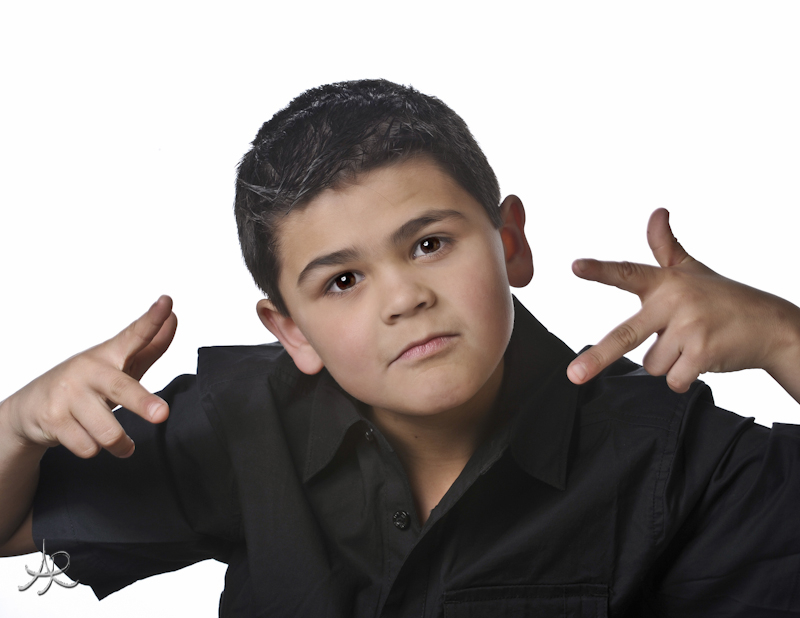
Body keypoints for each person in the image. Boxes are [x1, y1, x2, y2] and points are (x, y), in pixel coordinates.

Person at [1, 79, 799, 616]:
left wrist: (783, 337)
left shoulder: (670, 449)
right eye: (343, 281)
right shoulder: (239, 421)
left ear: (510, 244)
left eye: (429, 245)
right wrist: (15, 427)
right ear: (291, 330)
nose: (405, 299)